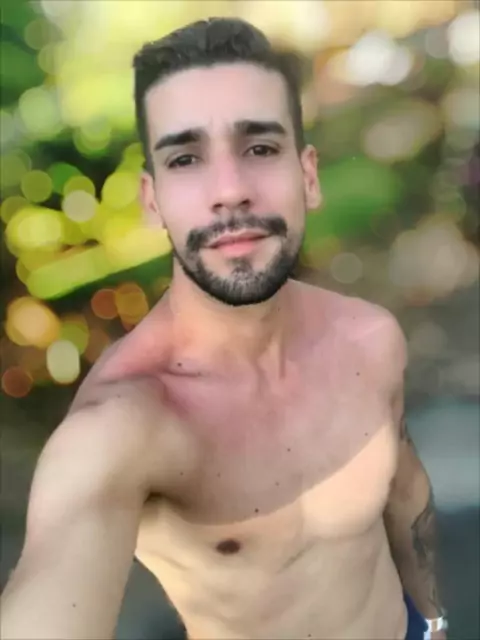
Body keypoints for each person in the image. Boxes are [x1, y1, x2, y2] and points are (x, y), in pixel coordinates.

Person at [0, 17, 448, 640]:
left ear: (308, 176)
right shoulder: (121, 430)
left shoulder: (370, 340)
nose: (231, 191)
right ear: (152, 200)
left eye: (259, 148)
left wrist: (434, 621)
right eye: (186, 158)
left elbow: (406, 496)